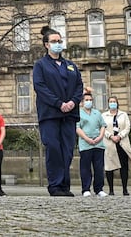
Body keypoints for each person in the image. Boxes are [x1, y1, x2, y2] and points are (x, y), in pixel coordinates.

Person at [33, 27, 83, 197]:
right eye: (54, 41)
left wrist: (72, 102)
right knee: (53, 148)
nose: (58, 44)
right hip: (50, 114)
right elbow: (40, 87)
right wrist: (58, 103)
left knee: (67, 149)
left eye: (59, 41)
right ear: (47, 45)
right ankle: (55, 185)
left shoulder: (70, 65)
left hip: (69, 114)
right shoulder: (40, 65)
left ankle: (65, 185)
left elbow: (79, 86)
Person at [103, 96, 131, 195]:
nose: (112, 103)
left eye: (114, 102)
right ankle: (111, 190)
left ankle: (125, 189)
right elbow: (102, 128)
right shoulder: (104, 115)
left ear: (117, 103)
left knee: (124, 166)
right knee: (109, 166)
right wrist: (110, 136)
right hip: (109, 143)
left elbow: (127, 127)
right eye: (111, 102)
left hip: (122, 143)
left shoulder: (123, 114)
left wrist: (119, 136)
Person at [76, 89, 107, 197]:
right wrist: (86, 138)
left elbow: (103, 125)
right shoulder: (79, 113)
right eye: (86, 100)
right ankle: (86, 189)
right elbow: (77, 128)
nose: (89, 102)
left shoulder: (97, 113)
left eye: (90, 100)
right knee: (85, 168)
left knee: (99, 168)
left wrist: (100, 136)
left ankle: (99, 189)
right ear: (82, 102)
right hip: (85, 144)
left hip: (98, 144)